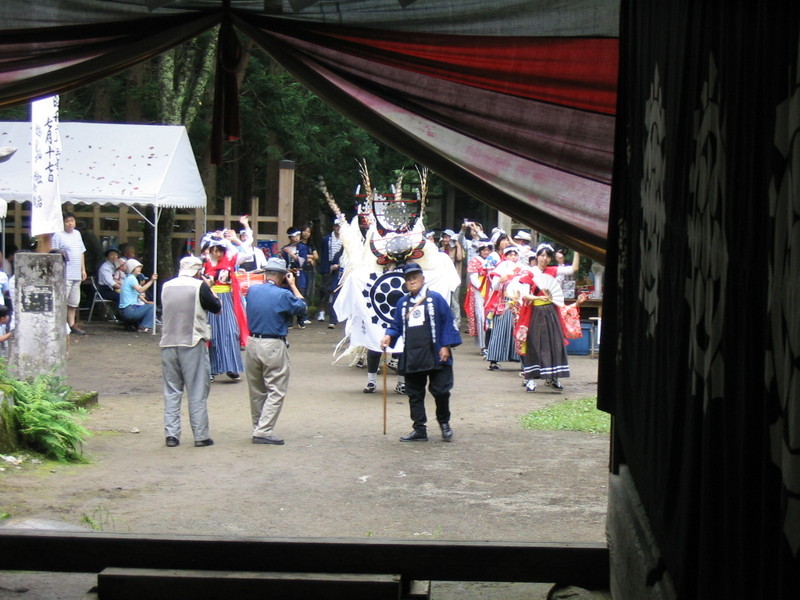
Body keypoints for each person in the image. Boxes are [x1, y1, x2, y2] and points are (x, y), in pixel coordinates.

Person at [381, 263, 462, 442]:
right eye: (408, 279)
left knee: (441, 391)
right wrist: (388, 335)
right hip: (413, 354)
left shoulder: (436, 299)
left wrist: (445, 345)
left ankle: (444, 424)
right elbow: (396, 325)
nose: (412, 281)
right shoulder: (402, 303)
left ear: (422, 279)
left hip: (436, 353)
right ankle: (419, 429)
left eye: (415, 277)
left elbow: (448, 321)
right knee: (414, 393)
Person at [159, 256, 222, 448]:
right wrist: (208, 286)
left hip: (168, 342)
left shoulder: (166, 286)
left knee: (171, 390)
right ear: (198, 271)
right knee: (196, 389)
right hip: (192, 341)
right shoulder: (199, 286)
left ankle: (171, 435)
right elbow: (217, 308)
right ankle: (200, 435)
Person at [243, 257, 307, 445]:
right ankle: (263, 430)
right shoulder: (283, 295)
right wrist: (293, 286)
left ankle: (258, 426)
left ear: (266, 273)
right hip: (273, 343)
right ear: (282, 276)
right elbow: (302, 307)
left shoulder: (253, 291)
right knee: (276, 389)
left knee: (256, 390)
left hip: (252, 341)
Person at [516, 243, 580, 392]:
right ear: (537, 256)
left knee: (554, 343)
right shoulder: (529, 273)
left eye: (547, 256)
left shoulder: (552, 271)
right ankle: (530, 378)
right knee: (534, 344)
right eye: (542, 255)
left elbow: (574, 268)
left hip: (551, 311)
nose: (544, 259)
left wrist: (577, 249)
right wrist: (541, 298)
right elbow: (525, 294)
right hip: (535, 312)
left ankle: (553, 378)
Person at [201, 234, 249, 381]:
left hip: (227, 300)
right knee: (211, 334)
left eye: (220, 250)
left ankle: (231, 367)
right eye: (214, 250)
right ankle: (210, 369)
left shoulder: (230, 260)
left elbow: (247, 253)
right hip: (209, 299)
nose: (217, 253)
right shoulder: (203, 262)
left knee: (230, 332)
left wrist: (231, 240)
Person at [484, 245, 523, 371]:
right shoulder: (501, 268)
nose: (513, 257)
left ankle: (517, 357)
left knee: (518, 332)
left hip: (517, 303)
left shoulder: (522, 268)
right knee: (499, 331)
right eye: (510, 255)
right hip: (504, 302)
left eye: (515, 255)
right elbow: (494, 286)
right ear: (505, 256)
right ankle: (493, 360)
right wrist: (501, 280)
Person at [52, 212, 87, 335]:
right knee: (62, 300)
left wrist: (83, 269)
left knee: (73, 302)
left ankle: (72, 324)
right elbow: (54, 252)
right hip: (65, 273)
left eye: (72, 220)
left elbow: (81, 252)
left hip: (76, 272)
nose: (70, 223)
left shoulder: (77, 234)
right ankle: (60, 324)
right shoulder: (58, 235)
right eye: (67, 221)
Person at [118, 259, 158, 332]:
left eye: (140, 267)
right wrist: (152, 280)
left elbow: (137, 294)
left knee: (147, 305)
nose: (139, 269)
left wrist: (146, 301)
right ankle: (144, 326)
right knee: (152, 307)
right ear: (132, 268)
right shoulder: (132, 278)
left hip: (124, 311)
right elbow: (140, 290)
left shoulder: (127, 278)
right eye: (137, 267)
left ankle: (131, 324)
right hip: (130, 310)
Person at [281, 228, 310, 329]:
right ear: (290, 237)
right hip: (289, 272)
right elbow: (283, 262)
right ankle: (289, 321)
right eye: (294, 236)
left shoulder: (302, 247)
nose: (297, 238)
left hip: (299, 272)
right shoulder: (285, 248)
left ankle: (301, 319)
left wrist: (292, 254)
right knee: (288, 295)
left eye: (298, 235)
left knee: (300, 294)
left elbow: (302, 261)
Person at [317, 220, 343, 326]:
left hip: (340, 267)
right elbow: (323, 253)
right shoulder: (326, 239)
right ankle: (322, 311)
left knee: (336, 291)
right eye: (336, 225)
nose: (338, 228)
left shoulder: (345, 239)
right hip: (328, 266)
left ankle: (335, 315)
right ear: (333, 227)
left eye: (339, 226)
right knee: (325, 291)